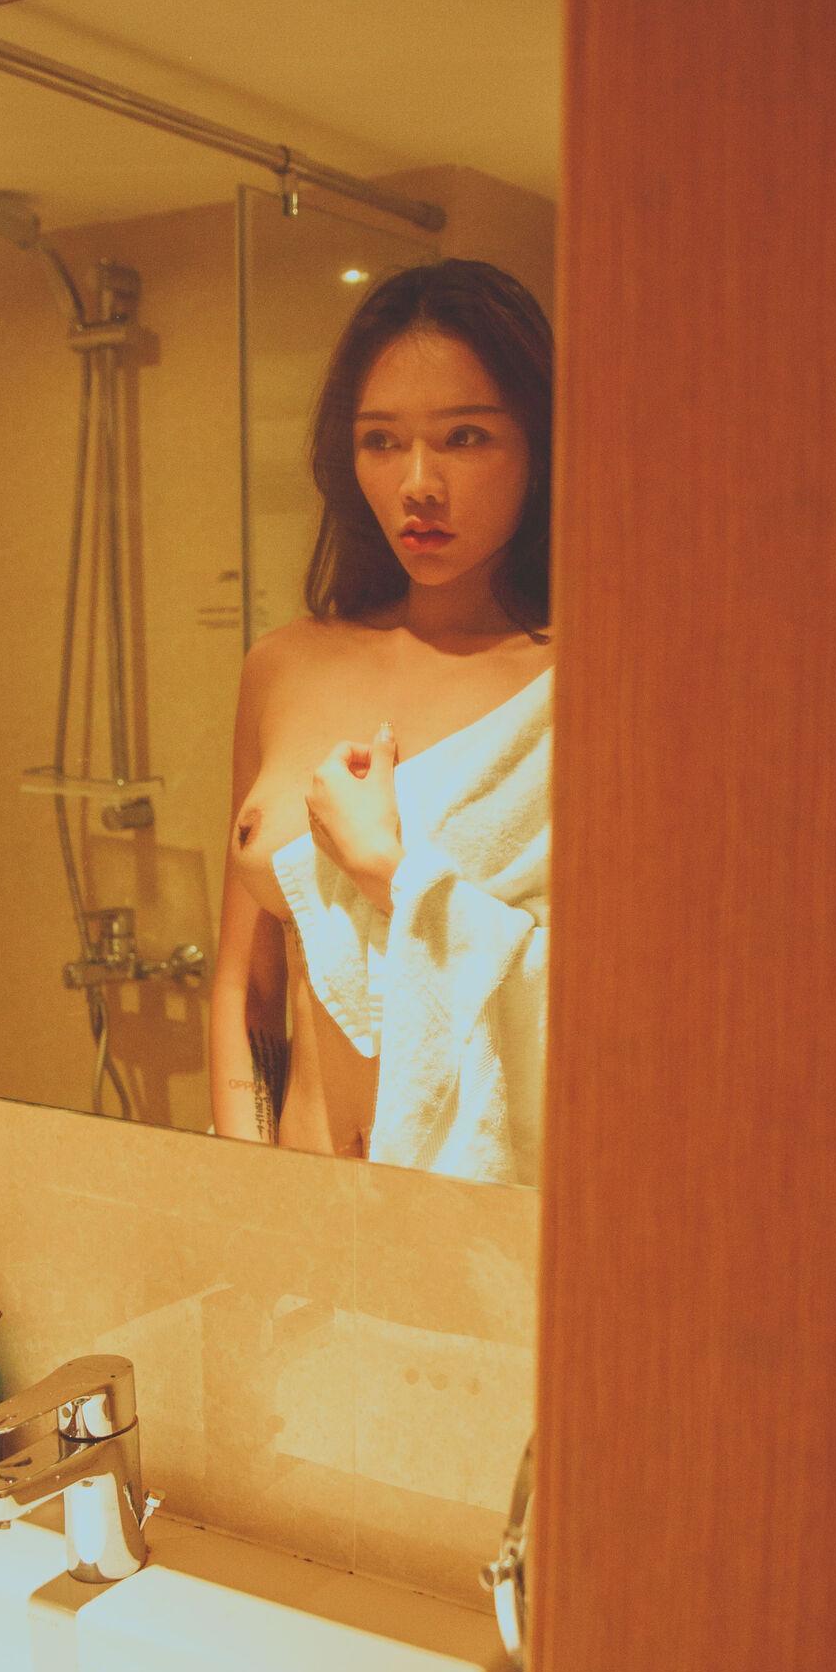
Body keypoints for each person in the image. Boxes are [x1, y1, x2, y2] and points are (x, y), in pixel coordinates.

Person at [211, 258, 554, 1181]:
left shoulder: (584, 689)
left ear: (538, 446)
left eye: (466, 437)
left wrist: (383, 870)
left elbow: (606, 1012)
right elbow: (246, 988)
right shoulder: (282, 666)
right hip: (292, 1203)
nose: (418, 484)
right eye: (381, 441)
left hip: (471, 1219)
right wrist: (243, 1192)